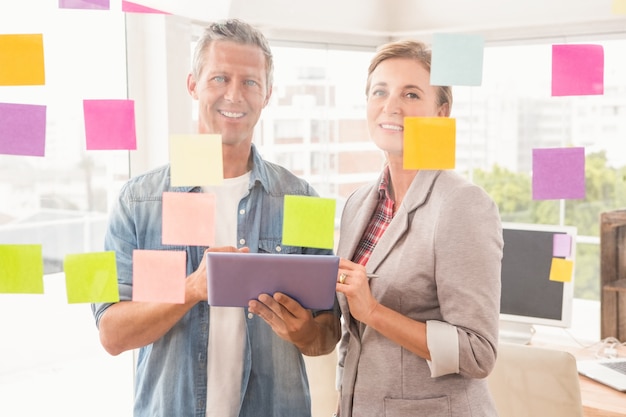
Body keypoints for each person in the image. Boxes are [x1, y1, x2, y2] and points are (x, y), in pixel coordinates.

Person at [91, 19, 340, 417]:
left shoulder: (303, 199)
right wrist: (190, 290)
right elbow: (111, 334)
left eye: (250, 82)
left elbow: (328, 335)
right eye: (220, 78)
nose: (234, 95)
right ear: (193, 84)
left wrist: (305, 331)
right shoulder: (136, 201)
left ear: (268, 94)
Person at [334, 40, 504, 417]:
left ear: (441, 113)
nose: (391, 106)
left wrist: (374, 311)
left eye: (411, 94)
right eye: (380, 91)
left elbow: (478, 353)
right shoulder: (358, 205)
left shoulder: (462, 204)